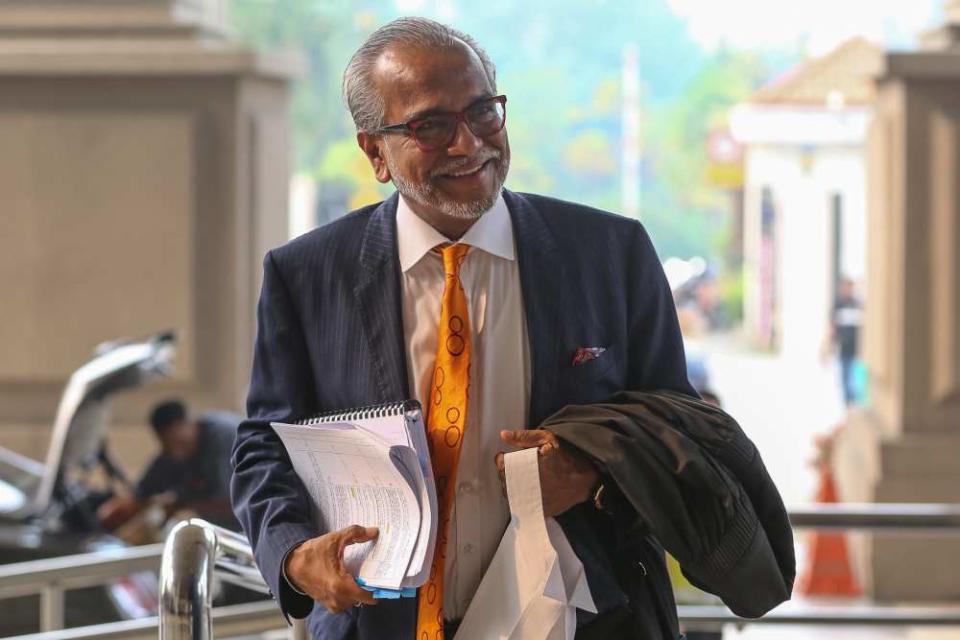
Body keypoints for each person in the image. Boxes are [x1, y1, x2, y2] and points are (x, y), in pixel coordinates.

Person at [231, 17, 792, 640]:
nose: (469, 144)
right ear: (374, 152)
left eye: (483, 113)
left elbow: (679, 427)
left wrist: (593, 476)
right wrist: (292, 555)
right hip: (379, 622)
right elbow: (263, 443)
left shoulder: (610, 253)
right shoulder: (307, 275)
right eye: (431, 125)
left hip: (584, 618)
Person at [98, 400, 240, 532]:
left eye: (179, 443)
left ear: (189, 424)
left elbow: (232, 503)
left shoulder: (226, 439)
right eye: (167, 446)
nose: (176, 453)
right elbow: (143, 491)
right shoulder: (173, 453)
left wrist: (180, 504)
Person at [829, 278, 863, 405]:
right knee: (844, 377)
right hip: (843, 347)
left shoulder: (857, 304)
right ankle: (847, 403)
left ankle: (853, 402)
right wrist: (831, 343)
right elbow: (832, 326)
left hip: (855, 347)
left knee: (853, 379)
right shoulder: (838, 304)